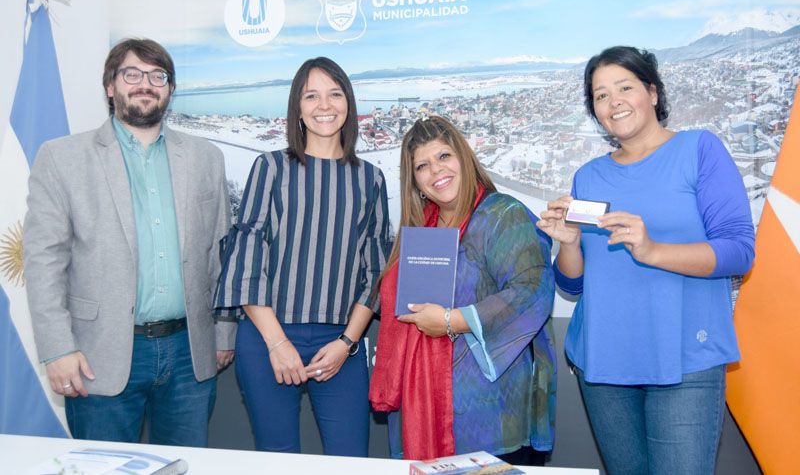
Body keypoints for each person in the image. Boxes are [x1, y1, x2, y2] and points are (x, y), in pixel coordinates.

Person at [536, 46, 755, 474]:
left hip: (683, 358)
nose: (613, 101)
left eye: (624, 87)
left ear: (652, 93)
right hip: (603, 360)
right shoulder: (588, 175)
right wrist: (568, 242)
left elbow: (739, 250)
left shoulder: (700, 150)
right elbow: (575, 285)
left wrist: (652, 250)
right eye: (600, 95)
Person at [23, 38, 235, 445]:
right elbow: (43, 261)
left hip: (189, 353)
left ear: (170, 89)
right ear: (110, 86)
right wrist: (56, 349)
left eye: (158, 76)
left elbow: (219, 254)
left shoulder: (206, 157)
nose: (145, 84)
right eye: (132, 74)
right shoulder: (62, 158)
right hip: (97, 355)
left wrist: (223, 335)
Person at [214, 57, 391, 456]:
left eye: (334, 94)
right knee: (278, 457)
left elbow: (375, 270)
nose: (323, 105)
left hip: (340, 343)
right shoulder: (271, 168)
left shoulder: (370, 178)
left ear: (349, 103)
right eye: (311, 95)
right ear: (297, 106)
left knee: (351, 460)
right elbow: (247, 259)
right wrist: (278, 344)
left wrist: (347, 342)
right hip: (267, 340)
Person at [369, 115, 556, 465]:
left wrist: (451, 320)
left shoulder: (503, 214)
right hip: (423, 404)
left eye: (443, 156)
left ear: (464, 158)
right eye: (422, 166)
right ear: (415, 181)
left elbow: (532, 290)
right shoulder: (419, 227)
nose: (435, 170)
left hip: (492, 411)